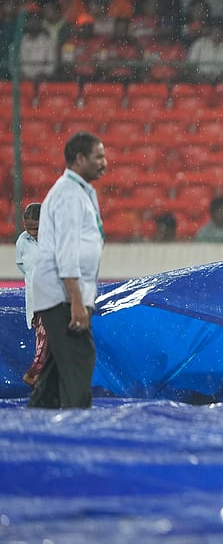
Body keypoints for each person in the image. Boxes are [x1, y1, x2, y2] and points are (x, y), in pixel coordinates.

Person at [26, 132, 107, 409]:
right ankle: (77, 425)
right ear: (80, 159)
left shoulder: (78, 191)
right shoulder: (69, 195)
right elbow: (67, 253)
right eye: (99, 157)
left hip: (64, 293)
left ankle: (38, 416)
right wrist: (75, 302)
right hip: (62, 295)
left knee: (57, 367)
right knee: (79, 358)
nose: (104, 163)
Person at [16, 203, 48, 387]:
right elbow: (21, 266)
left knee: (49, 340)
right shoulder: (22, 242)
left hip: (54, 298)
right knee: (43, 341)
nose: (32, 231)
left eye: (36, 227)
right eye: (29, 227)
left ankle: (35, 376)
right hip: (35, 301)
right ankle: (36, 377)